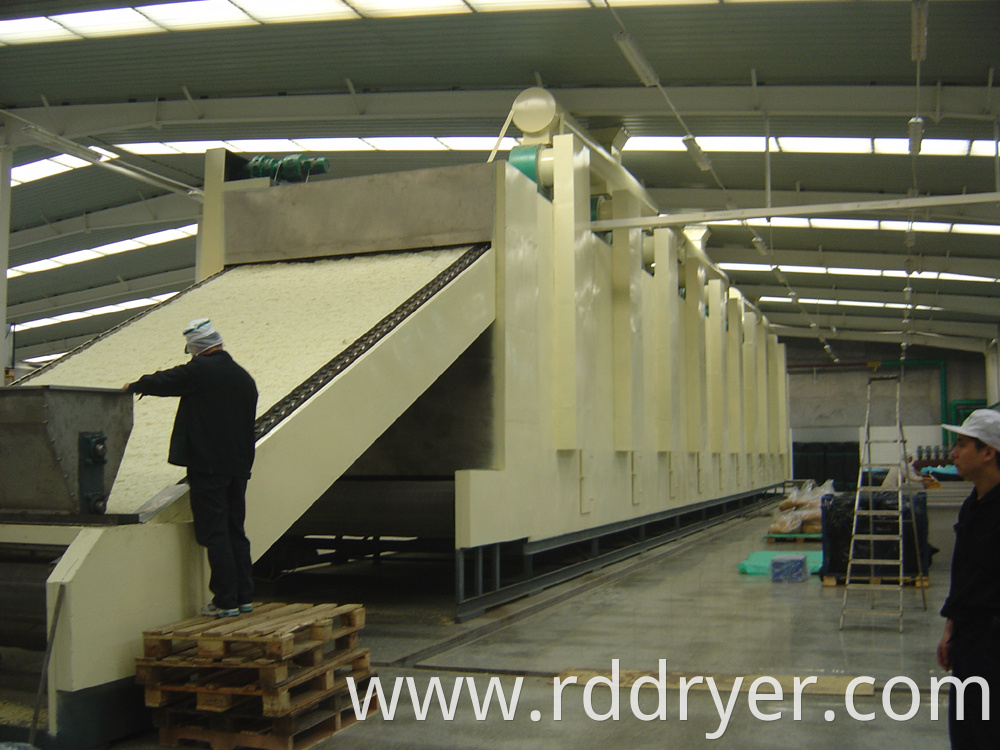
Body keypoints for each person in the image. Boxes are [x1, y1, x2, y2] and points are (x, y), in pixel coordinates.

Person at [125, 318, 258, 618]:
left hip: (208, 467)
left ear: (196, 350)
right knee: (236, 530)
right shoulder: (244, 377)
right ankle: (244, 597)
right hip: (238, 468)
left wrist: (136, 385)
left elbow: (169, 380)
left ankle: (225, 601)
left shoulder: (202, 370)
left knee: (215, 533)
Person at [937, 409, 1000, 748]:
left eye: (962, 444)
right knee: (965, 734)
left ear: (988, 451)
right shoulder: (971, 505)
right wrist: (950, 629)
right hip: (968, 641)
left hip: (994, 644)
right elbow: (963, 575)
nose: (953, 454)